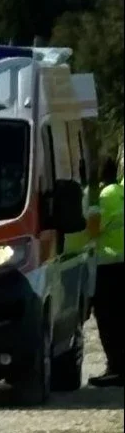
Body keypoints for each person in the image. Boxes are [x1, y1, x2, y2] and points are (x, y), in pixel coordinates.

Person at [90, 155, 123, 387]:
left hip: (109, 266)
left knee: (109, 319)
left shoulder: (105, 197)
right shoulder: (120, 192)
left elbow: (93, 230)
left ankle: (116, 368)